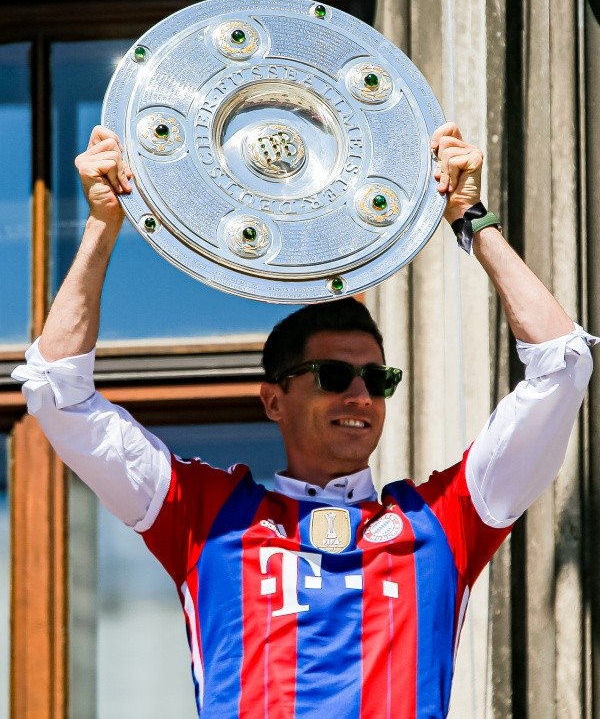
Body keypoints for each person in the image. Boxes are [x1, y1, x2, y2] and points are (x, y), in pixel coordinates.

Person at [12, 121, 596, 719]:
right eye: (334, 377)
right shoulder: (204, 515)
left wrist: (471, 218)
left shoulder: (444, 520)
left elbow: (563, 367)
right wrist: (103, 226)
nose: (361, 397)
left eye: (378, 380)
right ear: (273, 401)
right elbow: (58, 395)